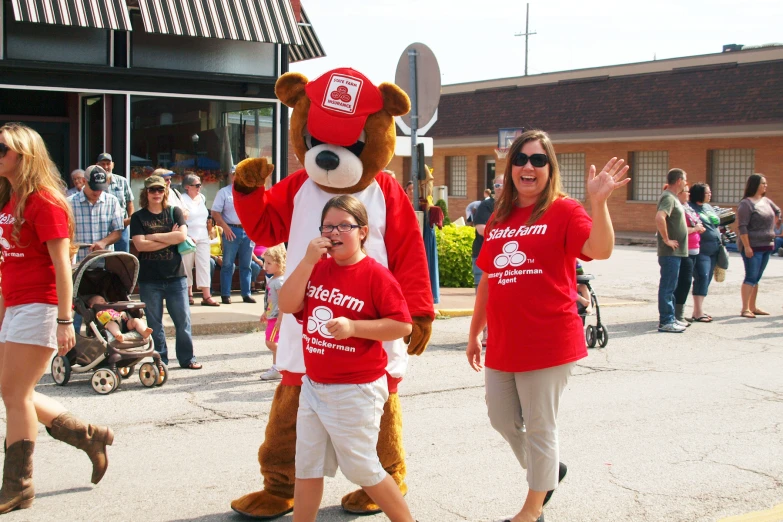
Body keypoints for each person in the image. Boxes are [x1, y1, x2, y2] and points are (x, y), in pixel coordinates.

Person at [466, 130, 629, 522]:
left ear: (549, 168)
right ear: (511, 167)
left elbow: (600, 249)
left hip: (548, 338)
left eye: (538, 160)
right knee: (501, 418)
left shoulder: (565, 210)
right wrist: (474, 333)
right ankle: (549, 470)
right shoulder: (501, 217)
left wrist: (598, 202)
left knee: (541, 426)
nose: (528, 167)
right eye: (521, 159)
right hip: (504, 341)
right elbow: (489, 277)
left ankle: (531, 510)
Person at [277, 195, 414, 522]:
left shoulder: (375, 275)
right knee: (307, 467)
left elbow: (401, 325)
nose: (334, 233)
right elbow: (287, 303)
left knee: (364, 469)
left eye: (344, 226)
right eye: (328, 226)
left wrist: (355, 327)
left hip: (356, 389)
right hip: (314, 387)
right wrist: (307, 261)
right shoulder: (318, 268)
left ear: (363, 231)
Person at [0, 122, 113, 514]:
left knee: (14, 395)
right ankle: (88, 435)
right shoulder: (9, 199)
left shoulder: (45, 200)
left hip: (40, 305)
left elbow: (63, 265)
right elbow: (7, 264)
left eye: (2, 149)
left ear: (23, 155)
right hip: (14, 305)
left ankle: (18, 486)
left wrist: (66, 322)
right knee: (17, 393)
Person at [130, 175, 202, 369]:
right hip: (149, 279)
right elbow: (140, 245)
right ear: (146, 192)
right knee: (155, 322)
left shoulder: (174, 211)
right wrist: (168, 237)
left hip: (176, 276)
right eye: (152, 190)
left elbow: (181, 236)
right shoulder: (138, 217)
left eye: (160, 190)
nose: (156, 193)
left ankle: (187, 358)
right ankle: (159, 359)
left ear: (165, 192)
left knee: (183, 321)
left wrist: (153, 236)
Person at [737, 174, 780, 318]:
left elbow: (777, 211)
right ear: (755, 185)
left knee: (757, 278)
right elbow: (742, 227)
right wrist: (747, 246)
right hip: (753, 246)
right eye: (763, 183)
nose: (765, 186)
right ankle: (745, 308)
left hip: (767, 245)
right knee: (751, 276)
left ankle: (753, 306)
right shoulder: (746, 204)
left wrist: (773, 226)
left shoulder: (766, 201)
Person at [212, 169, 255, 304]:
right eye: (236, 174)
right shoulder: (224, 192)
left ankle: (246, 294)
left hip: (247, 230)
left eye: (241, 174)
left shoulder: (249, 192)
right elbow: (215, 212)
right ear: (232, 176)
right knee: (228, 264)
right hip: (232, 229)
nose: (238, 177)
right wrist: (225, 228)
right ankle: (225, 294)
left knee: (246, 265)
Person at [655, 168, 689, 333]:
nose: (686, 183)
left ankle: (671, 318)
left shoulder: (673, 198)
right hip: (670, 253)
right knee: (667, 286)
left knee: (672, 285)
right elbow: (660, 217)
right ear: (678, 180)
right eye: (685, 180)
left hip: (677, 252)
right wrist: (666, 239)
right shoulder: (668, 197)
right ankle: (666, 321)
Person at [67, 165, 124, 263]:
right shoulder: (69, 203)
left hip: (105, 263)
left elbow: (117, 232)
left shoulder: (112, 201)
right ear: (84, 181)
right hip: (78, 264)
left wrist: (104, 242)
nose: (97, 192)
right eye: (94, 188)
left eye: (100, 188)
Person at [472, 175, 503, 345]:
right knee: (484, 297)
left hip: (505, 257)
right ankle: (484, 334)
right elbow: (481, 229)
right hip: (483, 256)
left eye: (502, 185)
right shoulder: (487, 205)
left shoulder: (517, 204)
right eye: (496, 185)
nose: (499, 188)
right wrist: (506, 234)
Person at [180, 173, 219, 307]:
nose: (199, 188)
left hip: (203, 236)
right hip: (188, 236)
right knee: (187, 265)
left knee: (204, 264)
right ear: (187, 187)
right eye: (196, 185)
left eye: (200, 185)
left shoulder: (201, 198)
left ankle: (206, 296)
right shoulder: (182, 199)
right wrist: (186, 235)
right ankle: (188, 294)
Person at [672, 185, 705, 325]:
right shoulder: (677, 208)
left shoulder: (688, 207)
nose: (688, 194)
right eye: (686, 191)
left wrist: (699, 227)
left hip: (694, 248)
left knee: (687, 281)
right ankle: (676, 314)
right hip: (683, 249)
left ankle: (680, 313)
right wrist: (695, 229)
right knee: (683, 282)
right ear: (679, 193)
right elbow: (678, 229)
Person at [688, 183, 721, 321]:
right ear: (699, 194)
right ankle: (698, 312)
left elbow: (716, 223)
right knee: (702, 276)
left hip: (714, 248)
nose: (710, 194)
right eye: (707, 193)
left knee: (707, 279)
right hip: (701, 249)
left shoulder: (708, 207)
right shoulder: (691, 208)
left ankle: (698, 311)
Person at [259, 243, 286, 381]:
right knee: (273, 342)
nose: (265, 265)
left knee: (271, 342)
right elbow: (270, 300)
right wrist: (265, 312)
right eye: (265, 262)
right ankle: (277, 367)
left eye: (269, 263)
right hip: (272, 316)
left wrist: (280, 318)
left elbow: (283, 302)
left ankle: (283, 361)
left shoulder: (279, 282)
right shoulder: (273, 279)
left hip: (276, 318)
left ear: (280, 263)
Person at [97, 153, 134, 253]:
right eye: (102, 164)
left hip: (122, 227)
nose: (105, 167)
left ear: (112, 165)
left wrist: (130, 219)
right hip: (102, 228)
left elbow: (129, 202)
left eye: (108, 164)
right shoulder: (94, 184)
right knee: (103, 259)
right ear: (97, 165)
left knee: (122, 259)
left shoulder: (122, 181)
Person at [86, 294, 153, 342]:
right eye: (101, 301)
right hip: (112, 324)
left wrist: (122, 313)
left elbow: (118, 313)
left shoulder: (110, 308)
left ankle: (144, 331)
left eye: (104, 300)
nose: (105, 302)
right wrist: (100, 312)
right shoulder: (99, 313)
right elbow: (100, 318)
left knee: (136, 320)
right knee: (111, 324)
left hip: (124, 322)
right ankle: (119, 335)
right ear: (92, 305)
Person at [207, 214, 223, 286]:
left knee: (230, 265)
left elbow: (223, 246)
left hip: (220, 255)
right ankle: (209, 287)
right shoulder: (202, 232)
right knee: (210, 263)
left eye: (209, 219)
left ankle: (223, 287)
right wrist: (216, 258)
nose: (207, 221)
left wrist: (223, 256)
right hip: (208, 256)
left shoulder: (219, 229)